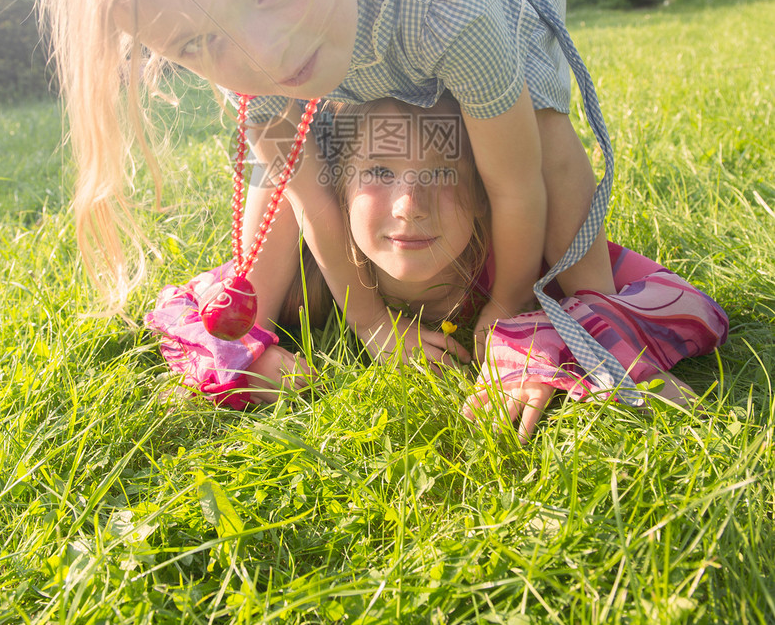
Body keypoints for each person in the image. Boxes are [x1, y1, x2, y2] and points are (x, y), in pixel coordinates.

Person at [25, 0, 650, 403]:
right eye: (194, 44)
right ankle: (243, 332)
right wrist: (375, 326)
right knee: (280, 165)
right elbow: (312, 199)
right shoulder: (228, 22)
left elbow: (516, 183)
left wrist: (505, 313)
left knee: (536, 128)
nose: (264, 57)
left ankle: (598, 312)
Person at [147, 97, 729, 438]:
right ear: (336, 193)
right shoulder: (311, 272)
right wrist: (247, 354)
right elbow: (183, 307)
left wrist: (535, 339)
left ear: (485, 194)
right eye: (377, 172)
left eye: (444, 174)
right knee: (280, 170)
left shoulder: (515, 262)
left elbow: (683, 299)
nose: (409, 205)